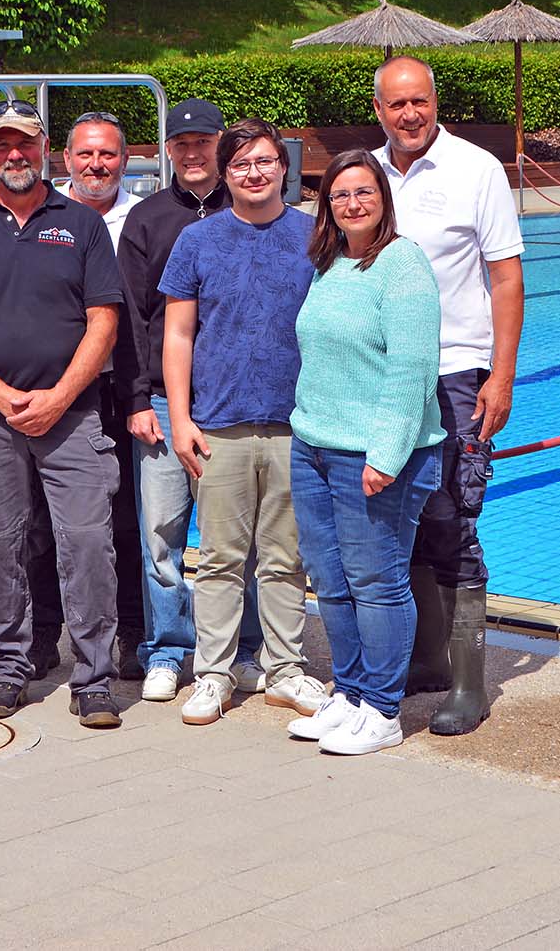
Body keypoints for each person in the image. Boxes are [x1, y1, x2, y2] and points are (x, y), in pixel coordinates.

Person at [0, 100, 126, 729]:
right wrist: (2, 396)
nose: (15, 154)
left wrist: (58, 397)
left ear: (45, 149)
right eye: (2, 144)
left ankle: (94, 677)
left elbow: (104, 322)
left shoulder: (82, 224)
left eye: (26, 143)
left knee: (88, 542)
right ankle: (8, 667)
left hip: (73, 413)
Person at [372, 55, 524, 736]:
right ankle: (427, 660)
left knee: (453, 520)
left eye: (420, 101)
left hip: (456, 370)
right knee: (397, 516)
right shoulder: (369, 173)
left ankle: (469, 685)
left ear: (436, 102)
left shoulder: (476, 169)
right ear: (379, 110)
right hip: (384, 374)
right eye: (397, 104)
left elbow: (506, 279)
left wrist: (501, 374)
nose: (410, 114)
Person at [159, 119, 328, 726]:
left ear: (283, 167)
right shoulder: (197, 240)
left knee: (285, 558)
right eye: (240, 165)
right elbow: (178, 335)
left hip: (295, 425)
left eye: (263, 162)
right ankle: (214, 673)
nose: (253, 173)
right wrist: (180, 418)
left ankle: (285, 670)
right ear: (225, 174)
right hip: (219, 424)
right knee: (220, 559)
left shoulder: (315, 236)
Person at [284, 149, 445, 756]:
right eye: (340, 195)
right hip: (315, 447)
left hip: (373, 456)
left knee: (376, 581)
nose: (352, 204)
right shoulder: (330, 263)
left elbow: (411, 370)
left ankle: (383, 708)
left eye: (364, 192)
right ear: (327, 205)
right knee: (330, 579)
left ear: (383, 199)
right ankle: (350, 693)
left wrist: (387, 455)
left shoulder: (403, 265)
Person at [117, 99, 266, 704]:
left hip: (233, 403)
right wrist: (136, 398)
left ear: (220, 145)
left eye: (203, 142)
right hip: (161, 399)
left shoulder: (250, 208)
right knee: (161, 536)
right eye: (181, 145)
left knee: (241, 537)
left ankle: (246, 648)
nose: (192, 153)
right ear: (167, 151)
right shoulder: (147, 219)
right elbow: (130, 317)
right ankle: (169, 649)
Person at [23, 111, 144, 679]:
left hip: (125, 391)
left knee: (122, 523)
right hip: (57, 393)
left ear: (126, 159)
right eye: (86, 154)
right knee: (42, 525)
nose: (97, 165)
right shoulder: (42, 218)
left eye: (108, 154)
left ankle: (132, 635)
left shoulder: (142, 218)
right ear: (65, 158)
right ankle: (44, 634)